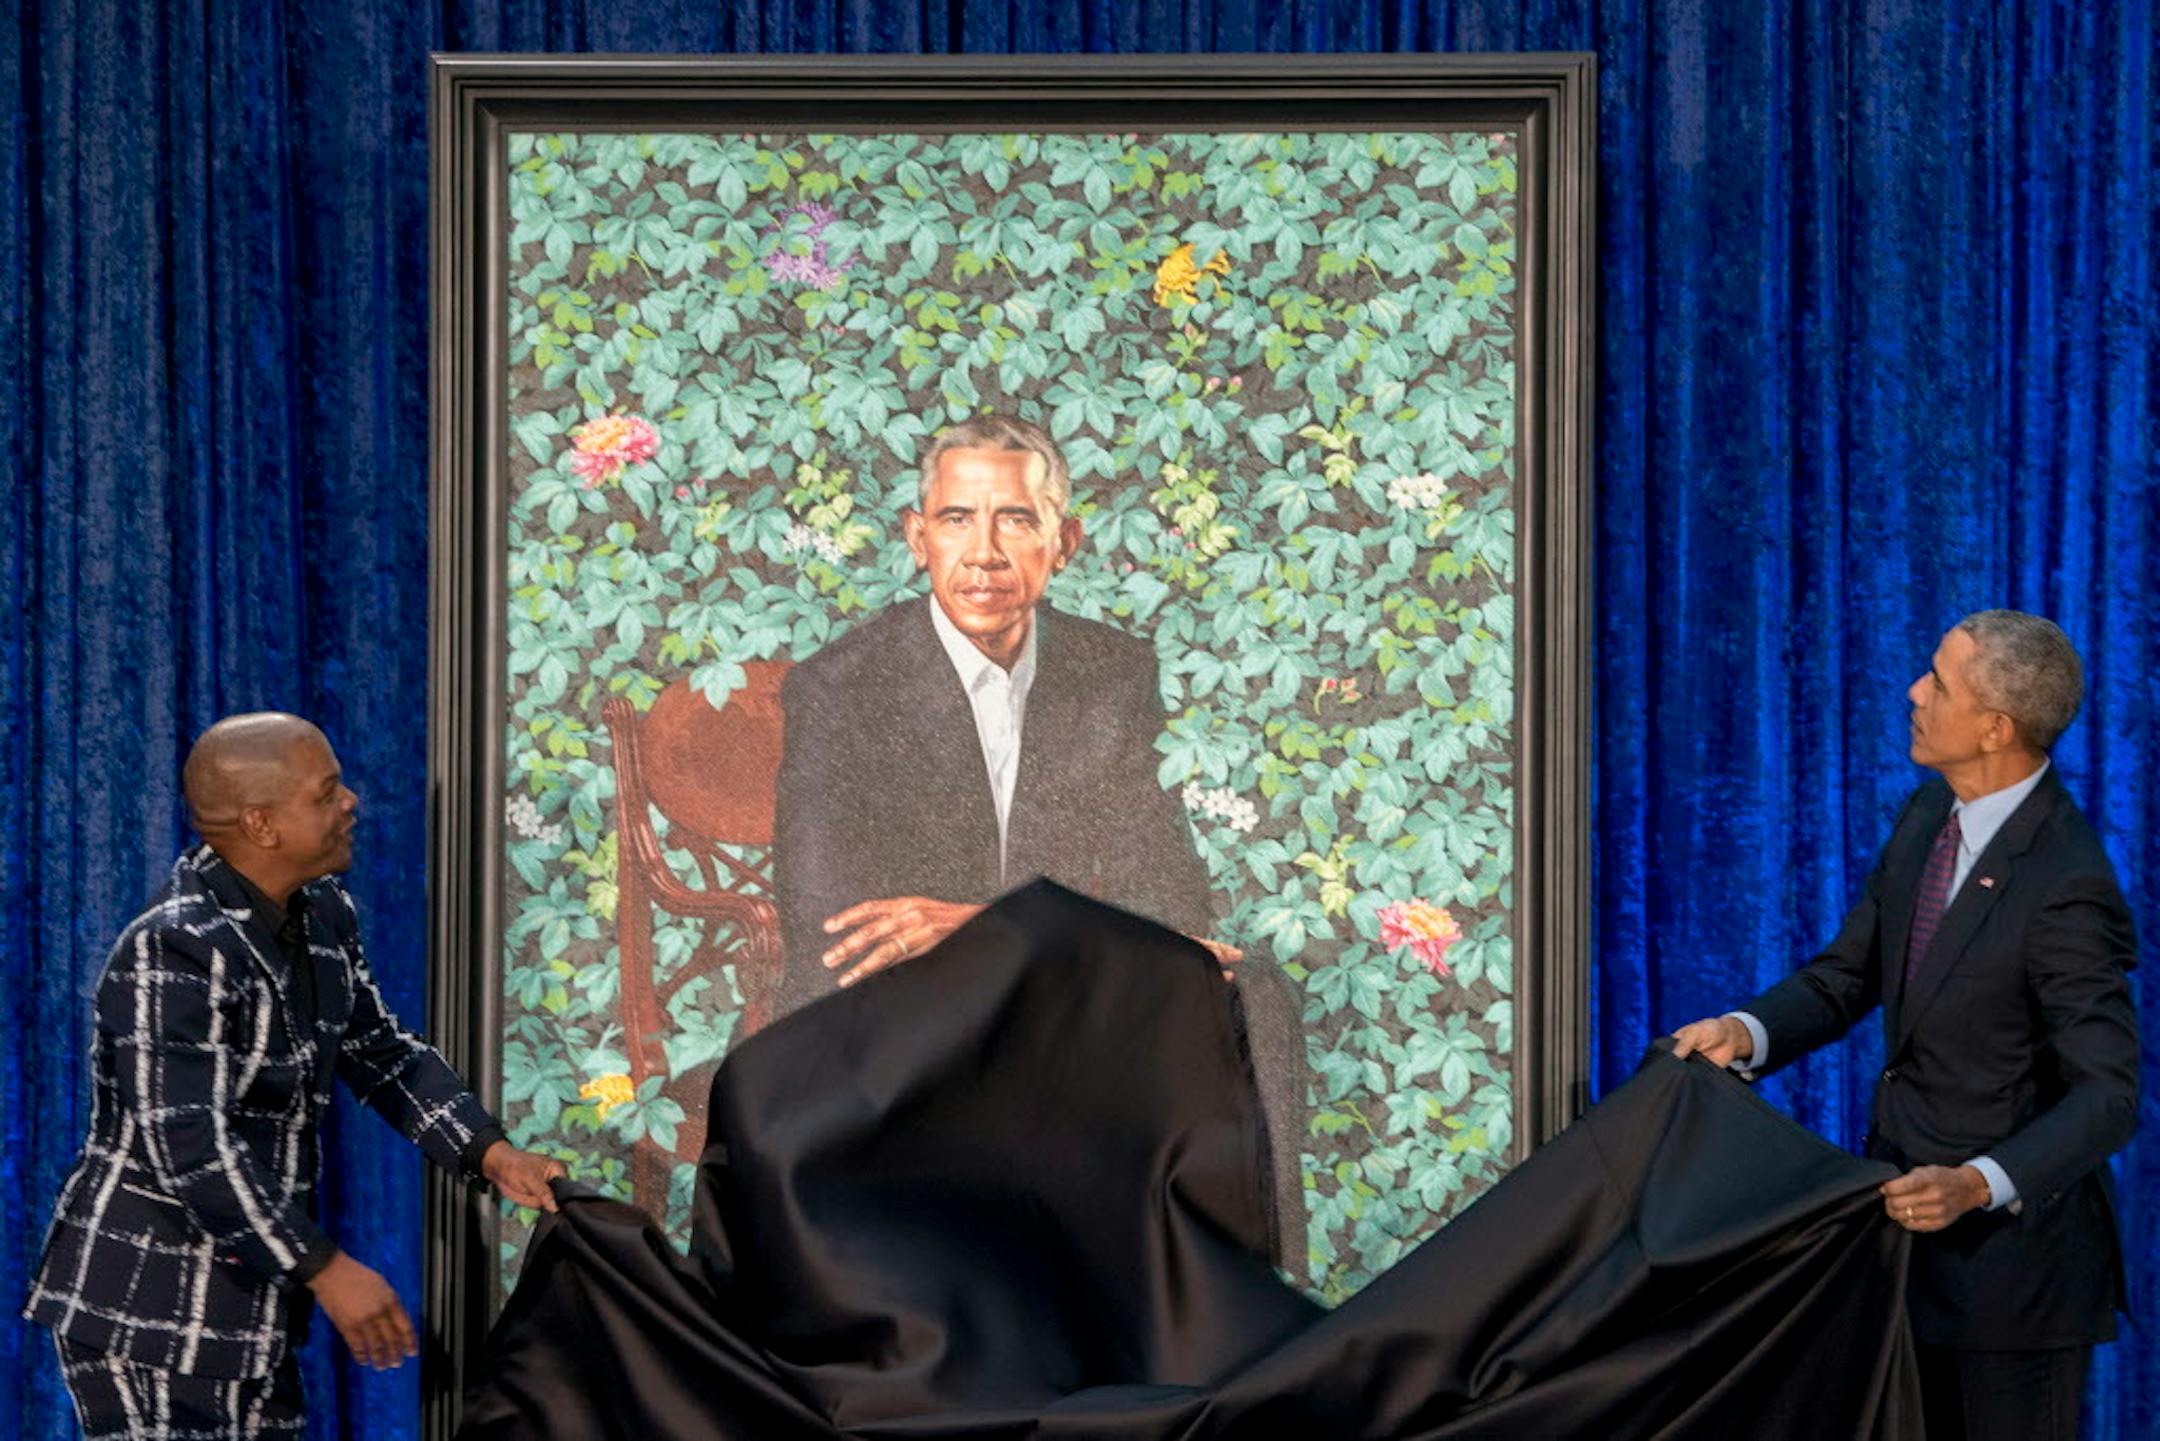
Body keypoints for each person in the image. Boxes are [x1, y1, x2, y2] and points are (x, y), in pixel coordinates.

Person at [24, 713, 565, 1438]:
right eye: (326, 792)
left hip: (252, 1304)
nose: (351, 804)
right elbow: (191, 1149)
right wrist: (327, 1268)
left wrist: (490, 1152)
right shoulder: (174, 948)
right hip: (147, 1308)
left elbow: (382, 1053)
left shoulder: (322, 915)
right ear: (263, 824)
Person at [1671, 611, 2139, 1441]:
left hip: (2014, 1285)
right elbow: (1848, 974)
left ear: (1995, 726)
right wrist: (1744, 1032)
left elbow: (2107, 1095)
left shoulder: (2067, 879)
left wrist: (1975, 1181)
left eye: (1940, 682)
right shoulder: (1930, 816)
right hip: (1902, 1252)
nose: (1914, 692)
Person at [772, 413, 1224, 1007]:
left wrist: (989, 930)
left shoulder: (1114, 670)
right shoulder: (841, 686)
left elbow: (1168, 896)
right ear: (917, 539)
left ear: (1063, 543)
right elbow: (838, 926)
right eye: (956, 520)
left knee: (1252, 998)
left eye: (1015, 520)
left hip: (1065, 982)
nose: (983, 554)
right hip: (897, 1002)